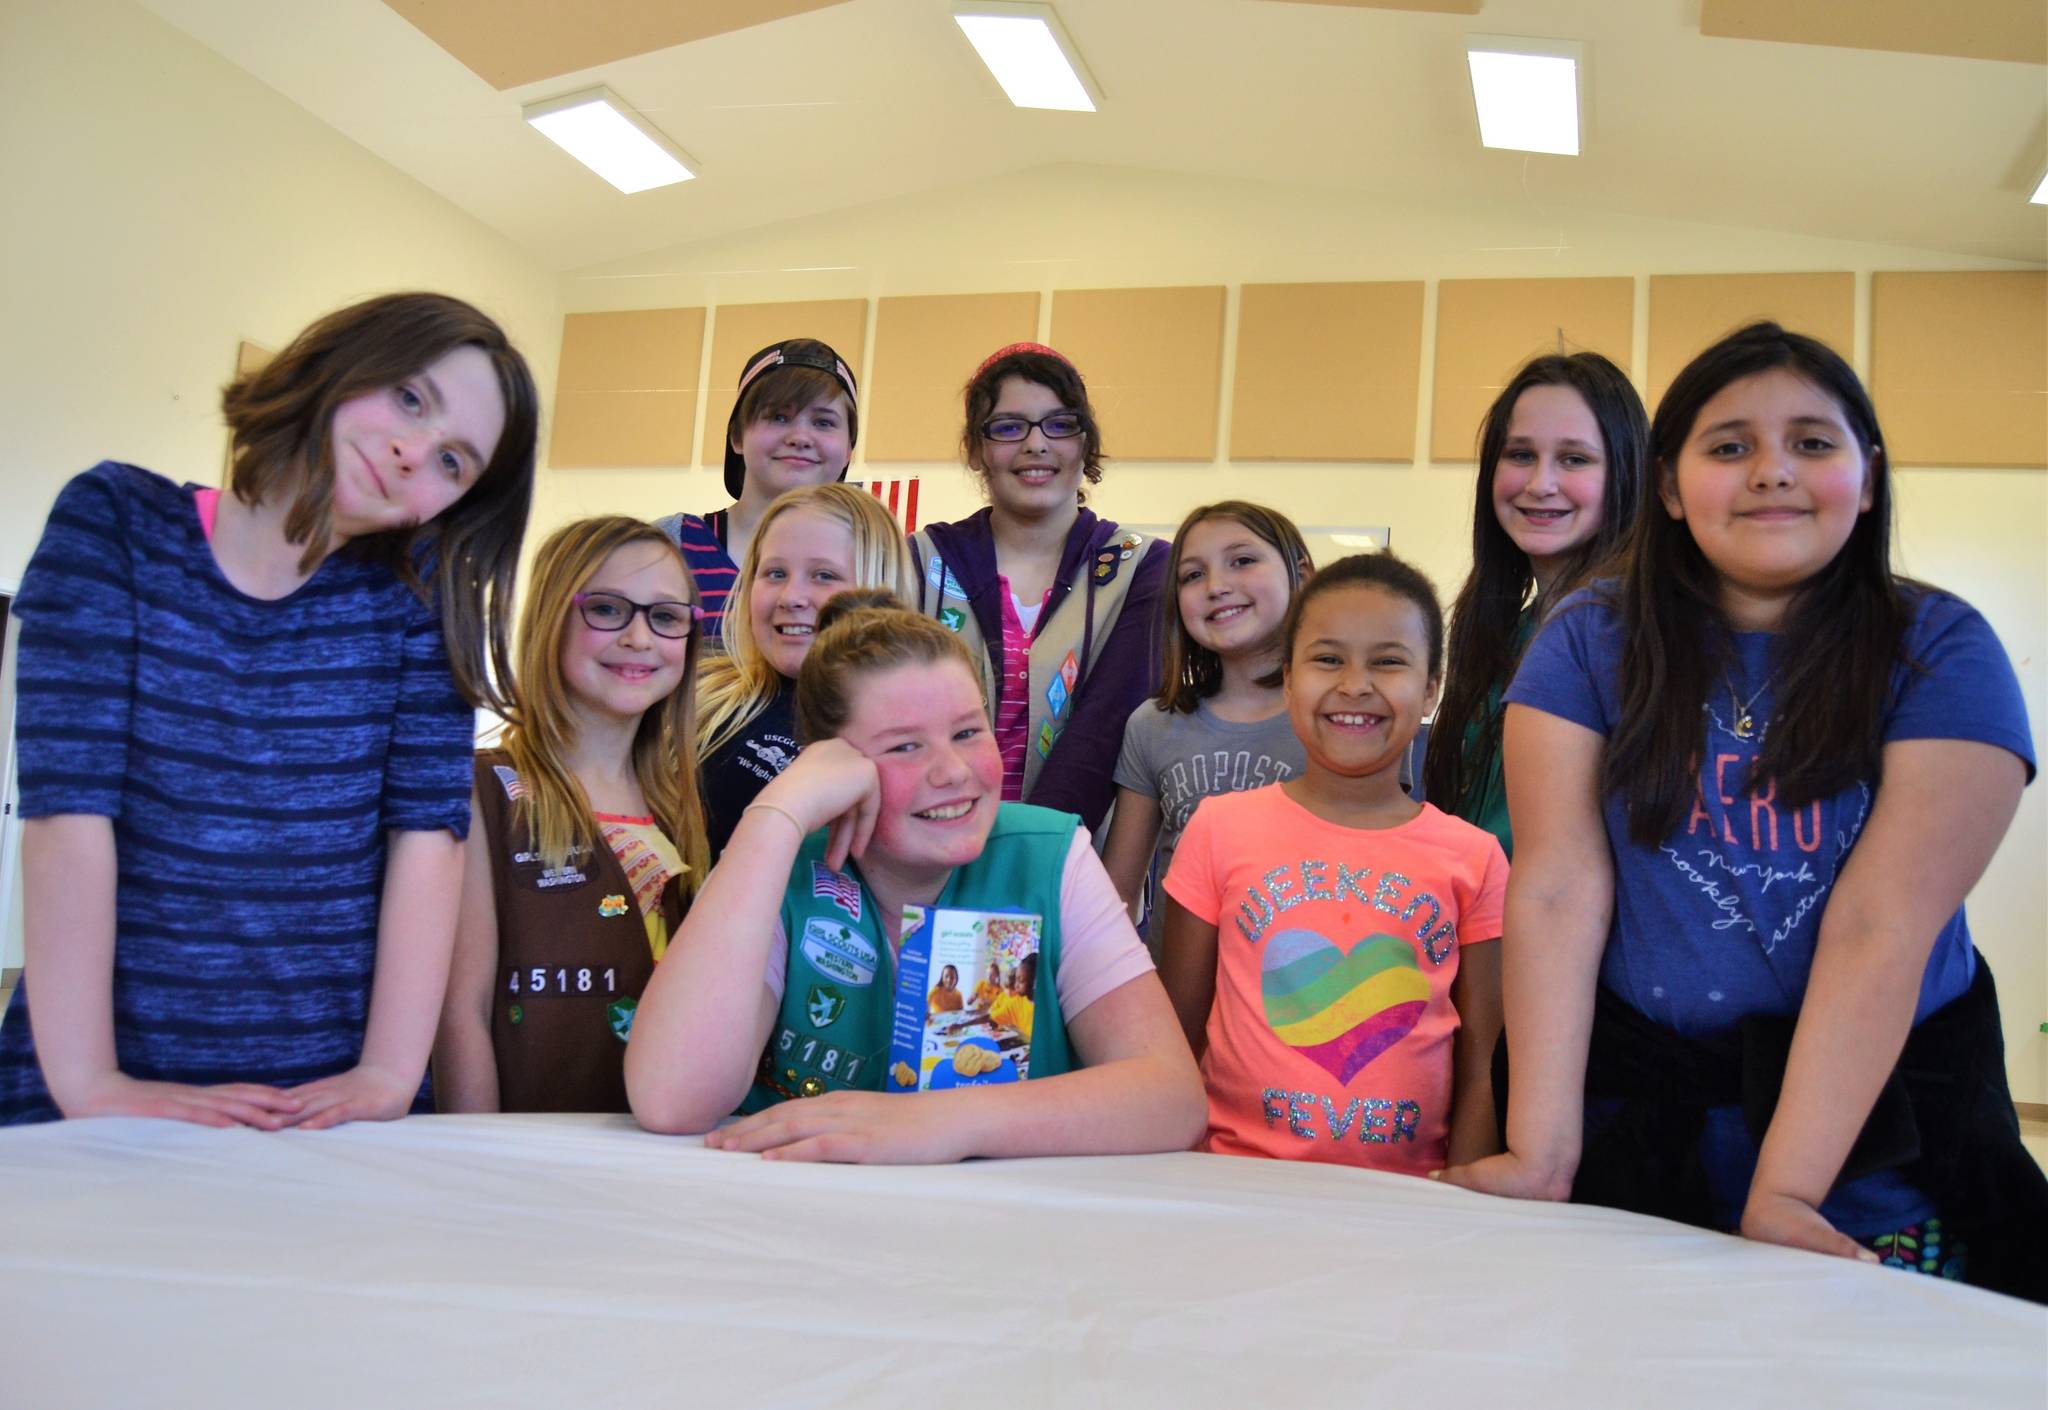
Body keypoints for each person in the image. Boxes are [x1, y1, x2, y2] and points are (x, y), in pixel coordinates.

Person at [1440, 323, 2045, 1303]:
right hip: (1639, 1133)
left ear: (1868, 472)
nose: (1770, 471)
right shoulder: (1584, 641)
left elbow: (1881, 926)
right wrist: (1539, 1151)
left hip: (1873, 1159)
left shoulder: (1940, 650)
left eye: (1811, 442)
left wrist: (1786, 1193)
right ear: (1670, 487)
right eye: (1729, 446)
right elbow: (1554, 887)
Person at [0, 291, 538, 1128]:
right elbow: (68, 810)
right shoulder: (114, 523)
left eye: (453, 463)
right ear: (341, 361)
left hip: (323, 1100)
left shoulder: (416, 600)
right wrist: (92, 1082)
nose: (411, 451)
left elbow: (427, 838)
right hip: (94, 1085)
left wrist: (388, 1075)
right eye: (409, 398)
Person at [625, 590, 1205, 1162]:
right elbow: (672, 1100)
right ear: (832, 767)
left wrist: (940, 1125)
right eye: (904, 746)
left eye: (967, 732)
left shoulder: (1049, 856)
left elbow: (1171, 1099)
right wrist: (775, 817)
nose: (953, 771)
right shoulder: (783, 863)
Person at [1159, 554, 1508, 1174]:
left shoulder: (1475, 857)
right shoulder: (1218, 828)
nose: (1354, 685)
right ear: (1287, 677)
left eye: (1389, 661)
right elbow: (1175, 1035)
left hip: (1408, 1201)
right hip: (1231, 1185)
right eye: (1327, 659)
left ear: (1431, 687)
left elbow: (1483, 1060)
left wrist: (1461, 1201)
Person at [434, 516, 712, 1112]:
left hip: (652, 1143)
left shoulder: (678, 802)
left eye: (665, 616)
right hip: (525, 1151)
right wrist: (474, 1163)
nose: (640, 637)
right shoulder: (484, 787)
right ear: (552, 617)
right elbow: (461, 1014)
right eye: (609, 609)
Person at [909, 343, 1168, 832]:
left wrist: (1030, 859)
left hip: (1078, 865)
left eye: (1060, 424)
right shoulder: (919, 562)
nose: (1036, 444)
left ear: (1085, 442)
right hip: (933, 859)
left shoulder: (1145, 568)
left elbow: (1105, 730)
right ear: (975, 449)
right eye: (1008, 427)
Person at [1422, 353, 1646, 858]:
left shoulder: (1630, 630)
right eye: (1520, 454)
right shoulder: (1506, 627)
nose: (1539, 483)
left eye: (1574, 459)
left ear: (1625, 474)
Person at [1101, 501, 1313, 952]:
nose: (1217, 586)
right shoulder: (1153, 725)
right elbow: (1117, 896)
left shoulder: (1336, 719)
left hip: (1305, 1000)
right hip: (1179, 1003)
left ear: (1304, 574)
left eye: (1243, 561)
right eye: (1193, 575)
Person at [694, 483, 916, 856]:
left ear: (880, 589)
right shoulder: (703, 702)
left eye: (824, 576)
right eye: (775, 573)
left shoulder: (913, 734)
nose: (792, 597)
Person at [657, 338, 861, 648]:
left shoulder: (874, 559)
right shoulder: (670, 544)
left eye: (823, 422)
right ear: (736, 436)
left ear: (849, 449)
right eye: (779, 417)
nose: (800, 437)